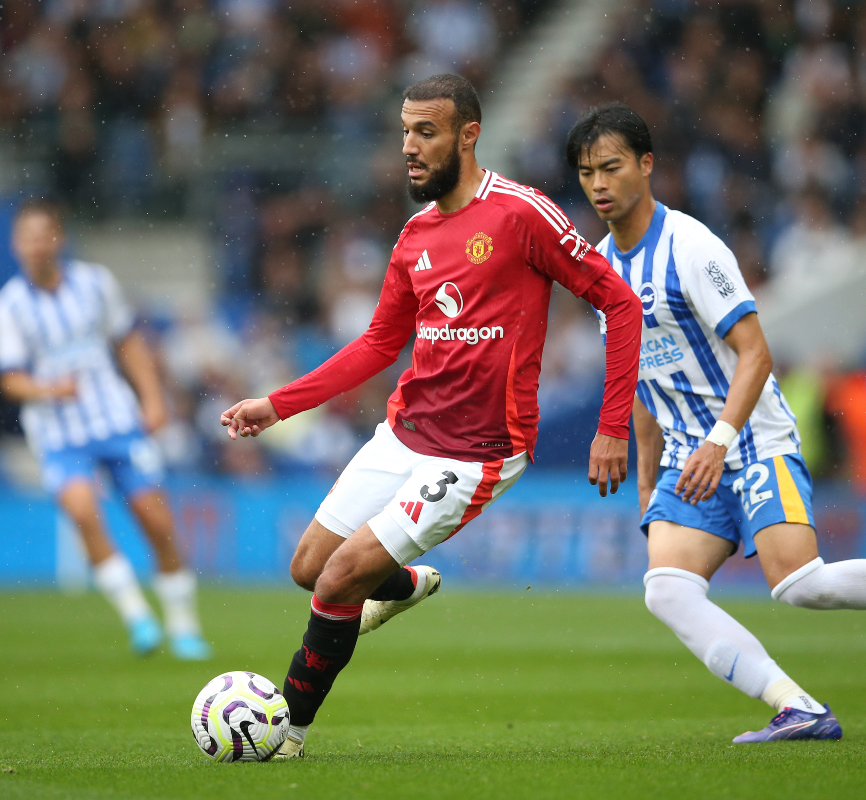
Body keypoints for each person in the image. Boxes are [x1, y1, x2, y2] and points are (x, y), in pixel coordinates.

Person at [221, 74, 642, 758]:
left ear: (468, 135)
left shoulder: (521, 213)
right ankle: (409, 584)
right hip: (405, 434)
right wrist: (278, 404)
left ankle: (284, 731)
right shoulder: (415, 234)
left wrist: (613, 425)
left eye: (426, 133)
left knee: (337, 581)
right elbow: (379, 344)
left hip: (477, 452)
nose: (410, 148)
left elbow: (620, 304)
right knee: (308, 566)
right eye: (405, 132)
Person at [568, 103, 866, 743]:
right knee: (665, 590)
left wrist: (720, 440)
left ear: (646, 165)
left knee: (799, 584)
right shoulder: (600, 272)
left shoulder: (691, 247)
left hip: (748, 437)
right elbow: (638, 379)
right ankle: (796, 706)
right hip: (690, 459)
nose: (598, 185)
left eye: (610, 168)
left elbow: (756, 352)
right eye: (586, 173)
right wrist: (647, 476)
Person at [0, 199, 211, 660]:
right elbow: (9, 379)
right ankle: (137, 617)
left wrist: (152, 398)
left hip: (115, 419)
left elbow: (128, 342)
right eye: (25, 236)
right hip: (59, 434)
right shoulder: (8, 306)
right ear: (15, 245)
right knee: (84, 514)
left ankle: (184, 625)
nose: (34, 244)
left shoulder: (94, 283)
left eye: (42, 233)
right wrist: (49, 390)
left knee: (157, 522)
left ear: (58, 238)